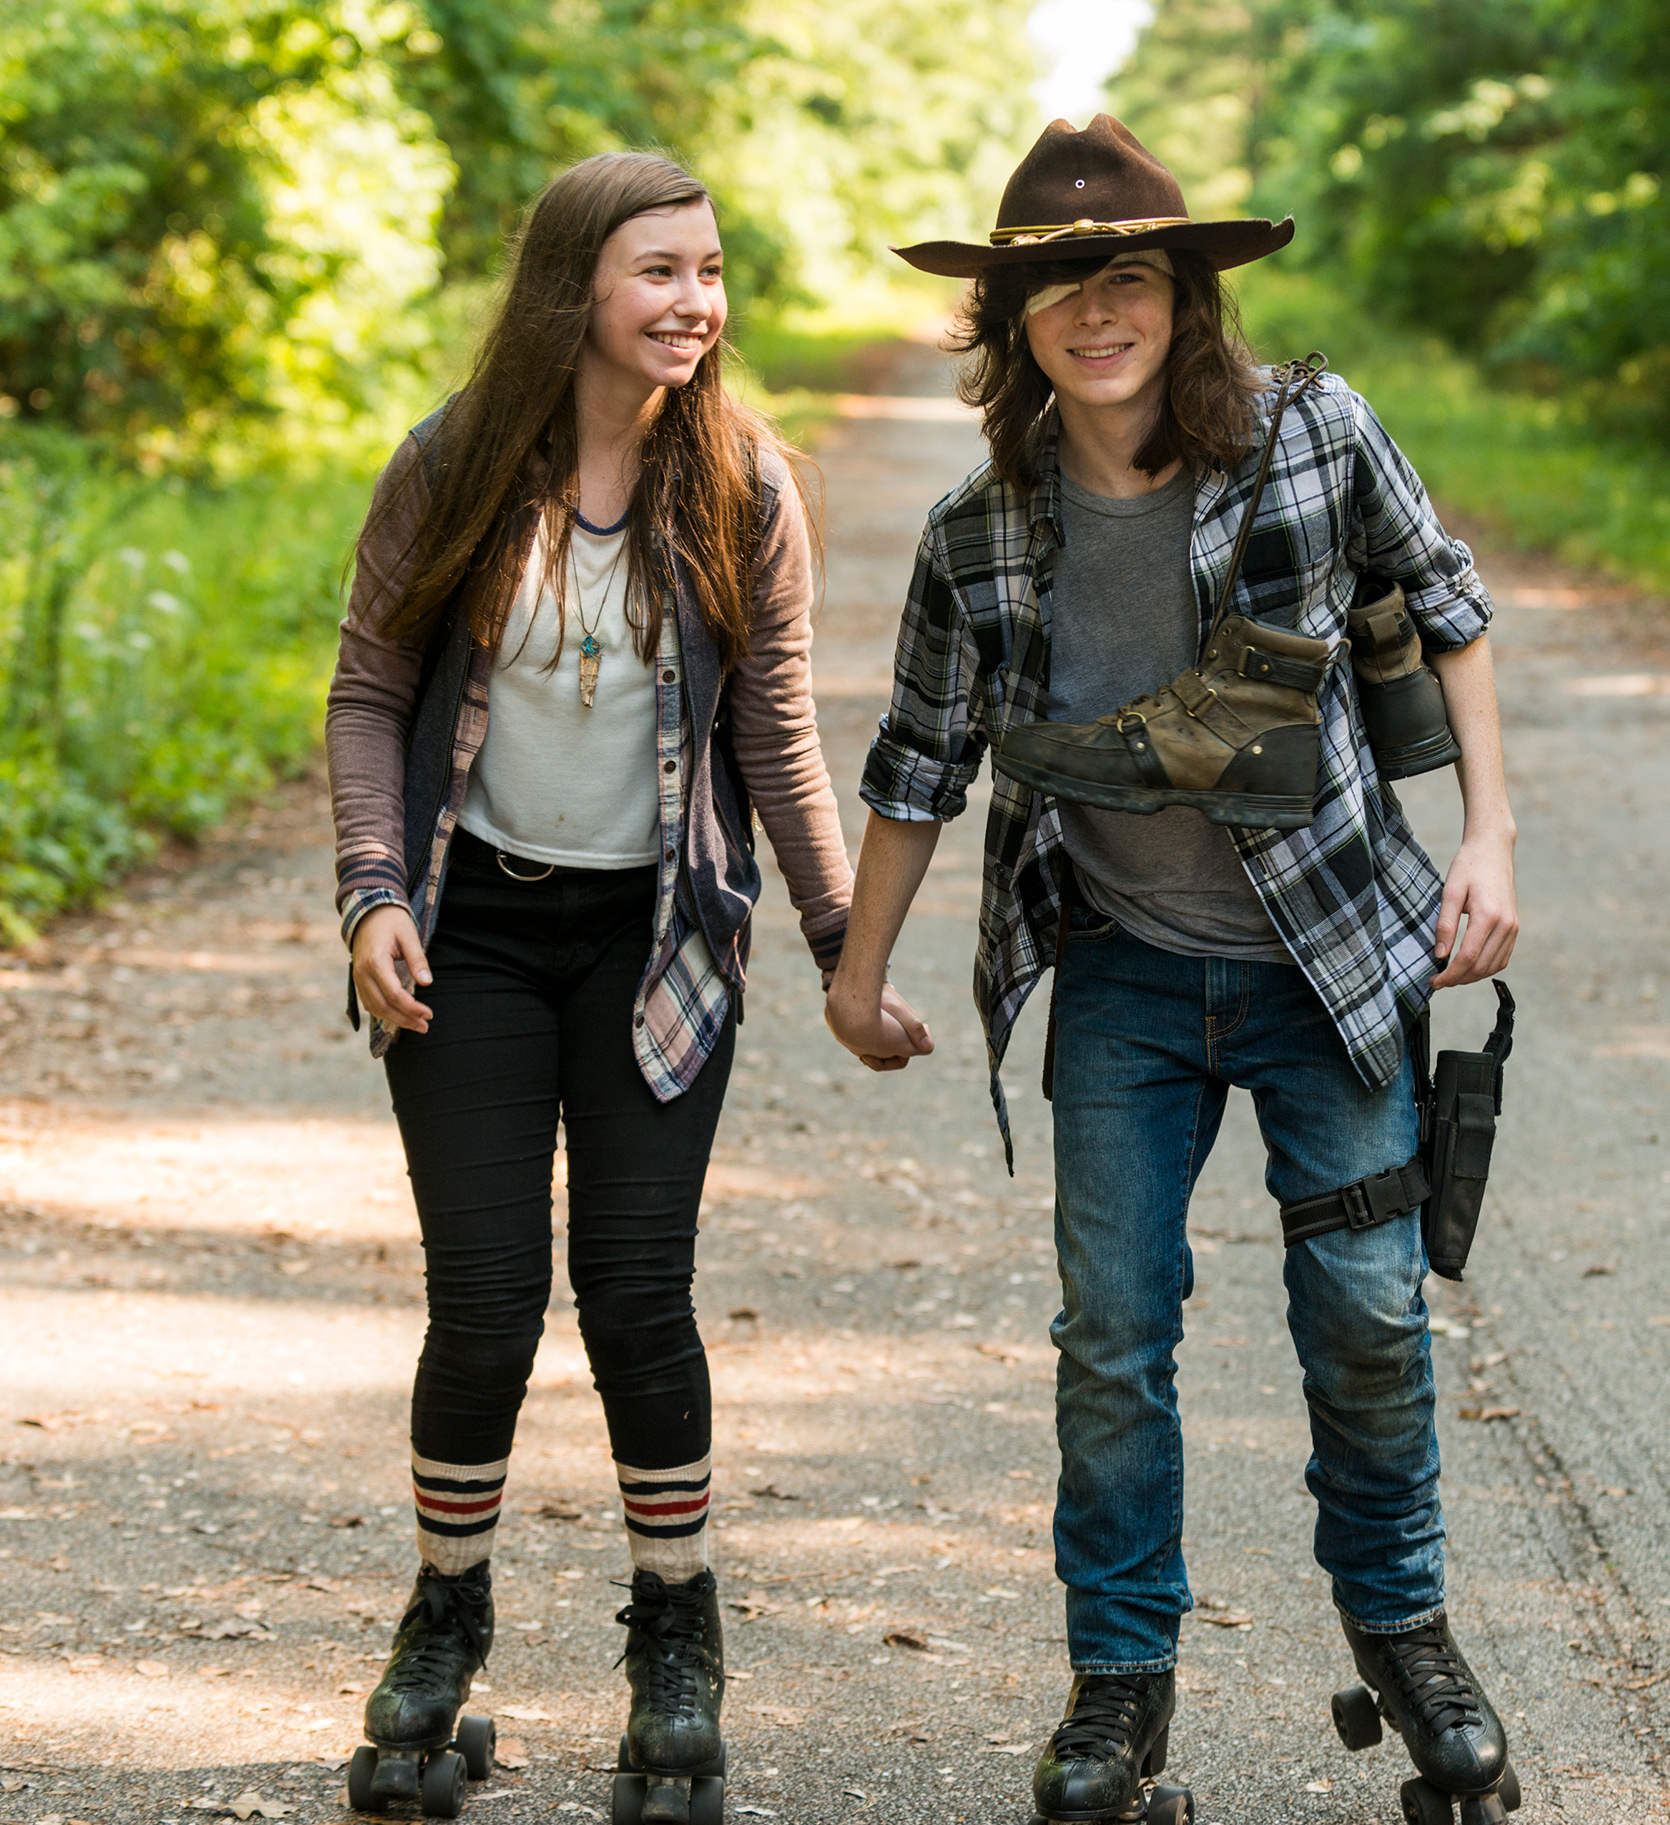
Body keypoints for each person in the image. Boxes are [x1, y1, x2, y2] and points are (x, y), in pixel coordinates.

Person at [825, 116, 1522, 1823]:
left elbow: (1447, 604)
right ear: (1017, 324)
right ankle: (1117, 1690)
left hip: (1329, 961)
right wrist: (858, 973)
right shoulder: (976, 532)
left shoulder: (1313, 434)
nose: (1095, 311)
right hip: (1123, 977)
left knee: (1365, 1319)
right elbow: (918, 765)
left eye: (1125, 275)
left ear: (1182, 296)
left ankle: (1407, 1631)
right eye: (1058, 287)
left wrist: (1492, 840)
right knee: (1113, 1335)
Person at [326, 150, 905, 1817]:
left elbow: (778, 742)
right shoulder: (450, 465)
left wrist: (838, 946)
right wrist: (373, 891)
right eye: (661, 271)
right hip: (470, 937)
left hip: (659, 943)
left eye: (711, 272)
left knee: (639, 1295)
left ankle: (676, 1633)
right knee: (488, 1295)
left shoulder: (744, 487)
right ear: (576, 284)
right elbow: (369, 692)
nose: (696, 302)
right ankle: (447, 1615)